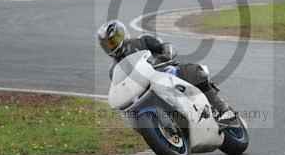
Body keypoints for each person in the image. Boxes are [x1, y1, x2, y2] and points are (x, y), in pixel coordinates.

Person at [98, 20, 236, 124]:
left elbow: (166, 46)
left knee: (197, 73)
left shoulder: (143, 41)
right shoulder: (114, 70)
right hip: (144, 93)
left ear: (123, 34)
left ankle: (224, 110)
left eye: (114, 40)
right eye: (108, 45)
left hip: (167, 72)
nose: (113, 46)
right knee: (131, 114)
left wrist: (166, 53)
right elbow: (120, 89)